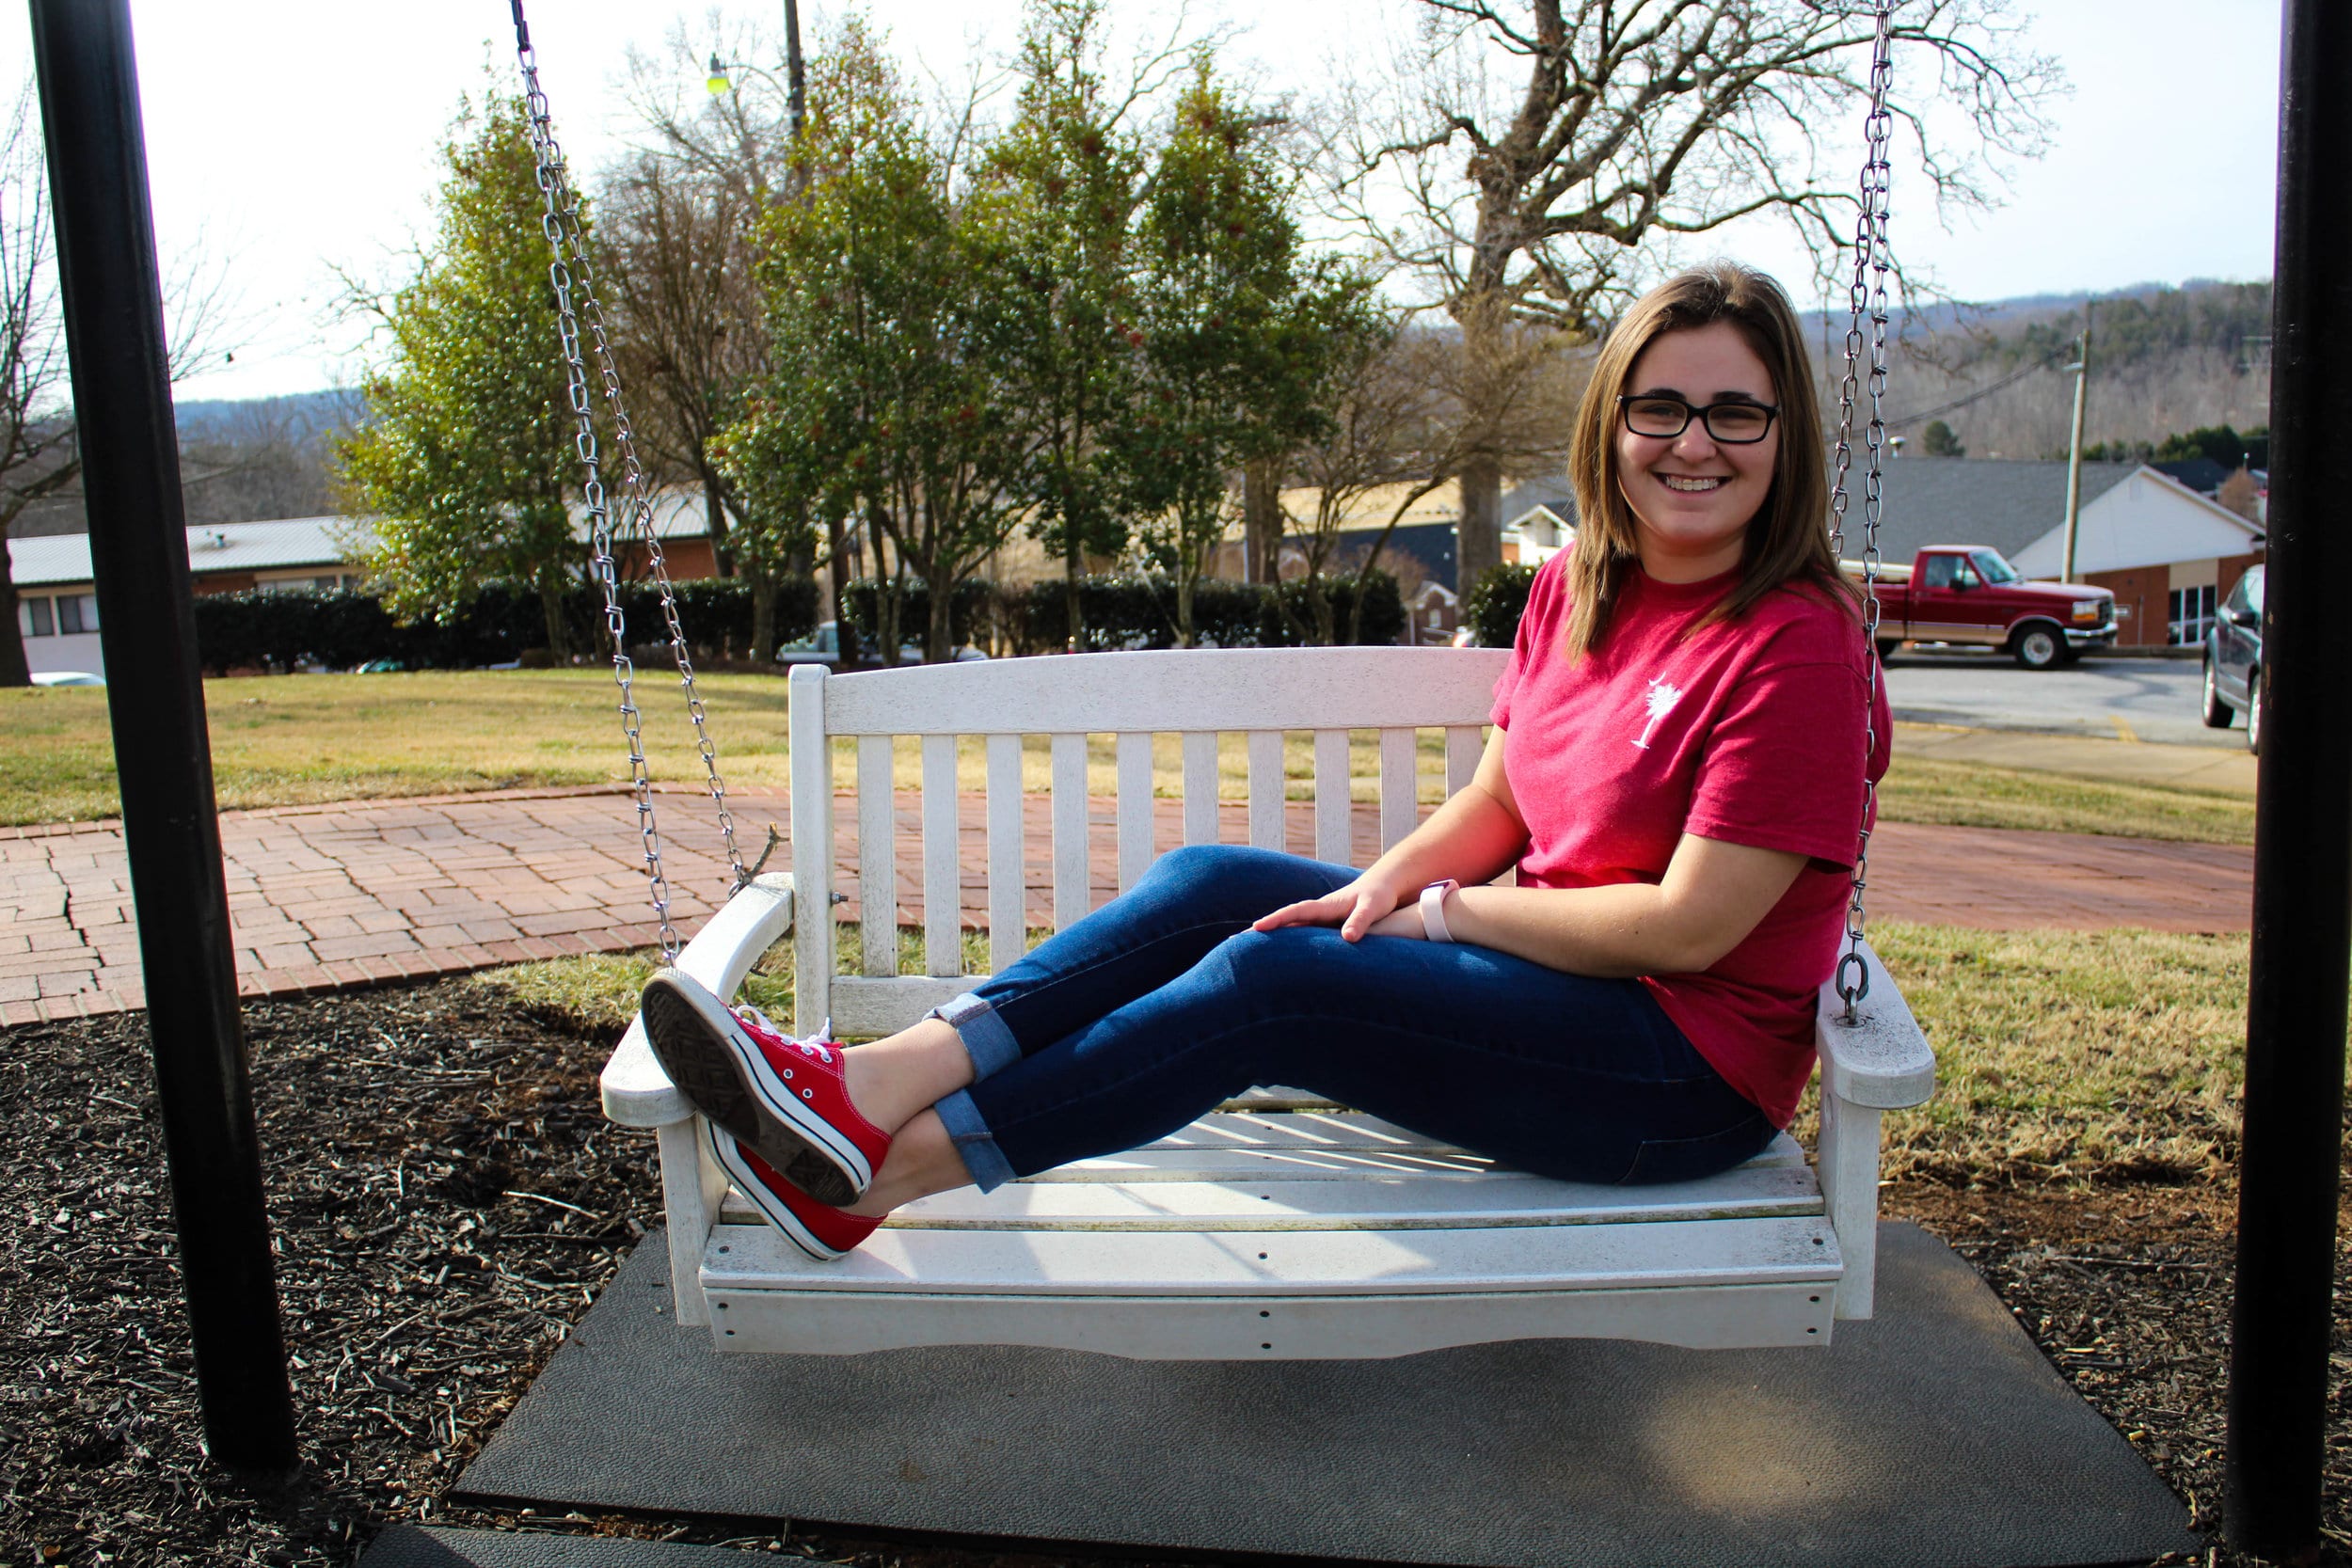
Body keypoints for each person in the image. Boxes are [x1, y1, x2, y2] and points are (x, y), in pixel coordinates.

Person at [637, 261, 1892, 1261]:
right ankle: (866, 1087)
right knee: (1212, 883)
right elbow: (1502, 797)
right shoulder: (1578, 587)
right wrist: (1384, 891)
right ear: (1612, 424)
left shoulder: (1798, 647)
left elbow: (1687, 930)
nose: (1694, 444)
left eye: (1737, 412)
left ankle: (878, 1181)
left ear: (1785, 439)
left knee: (1276, 983)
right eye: (1660, 406)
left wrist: (1440, 919)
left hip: (1676, 1074)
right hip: (1556, 999)